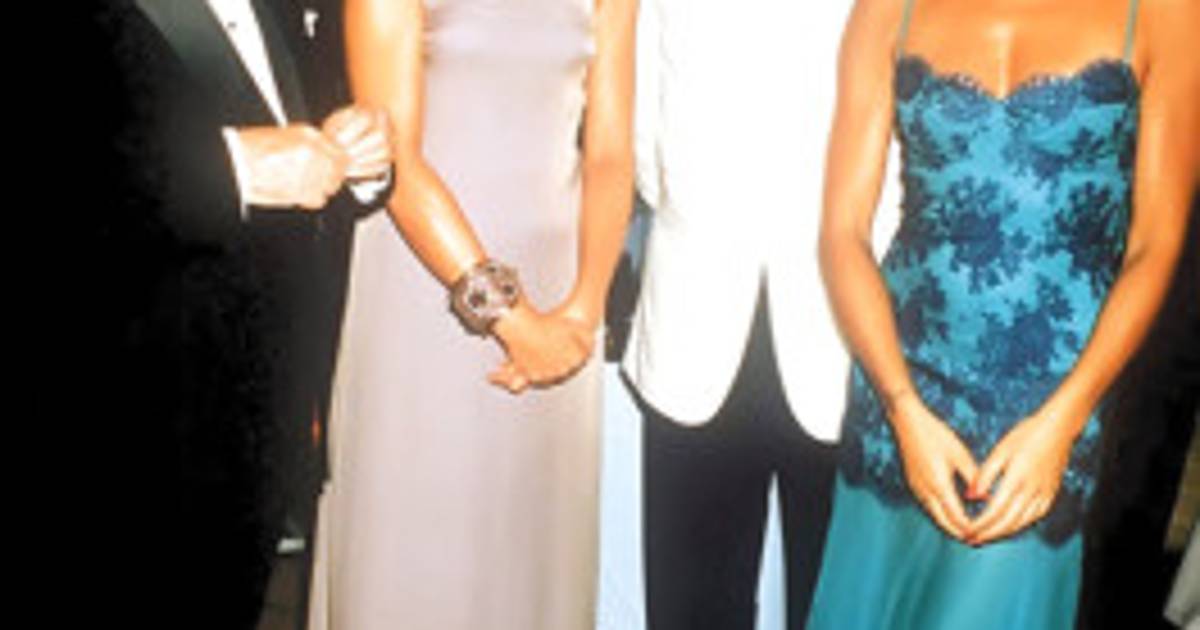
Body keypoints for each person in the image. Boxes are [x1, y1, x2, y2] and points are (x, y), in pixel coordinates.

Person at [807, 0, 1199, 628]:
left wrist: (1065, 418)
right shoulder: (886, 9)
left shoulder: (1164, 12)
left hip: (1049, 406)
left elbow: (1156, 245)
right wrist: (902, 407)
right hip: (900, 383)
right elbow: (841, 233)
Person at [305, 0, 635, 628]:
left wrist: (583, 310)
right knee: (414, 548)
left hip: (561, 299)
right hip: (420, 286)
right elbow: (394, 160)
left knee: (531, 558)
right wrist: (510, 319)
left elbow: (611, 152)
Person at [81, 1, 389, 627]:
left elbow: (307, 141)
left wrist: (359, 159)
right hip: (127, 424)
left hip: (259, 413)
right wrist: (233, 170)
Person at [624, 3, 853, 628]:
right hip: (692, 322)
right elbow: (641, 126)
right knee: (692, 606)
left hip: (846, 332)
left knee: (837, 606)